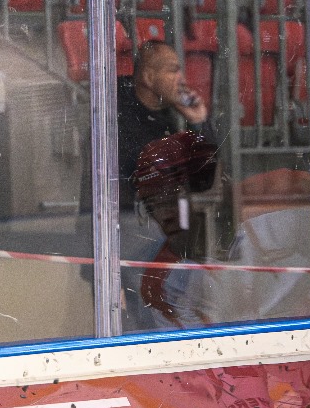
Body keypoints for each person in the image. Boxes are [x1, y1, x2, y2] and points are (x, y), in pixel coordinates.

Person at [80, 40, 219, 329]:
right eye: (172, 70)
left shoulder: (170, 116)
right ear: (147, 76)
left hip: (156, 238)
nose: (180, 79)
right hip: (119, 236)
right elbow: (128, 177)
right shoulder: (114, 108)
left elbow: (204, 177)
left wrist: (198, 121)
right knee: (127, 329)